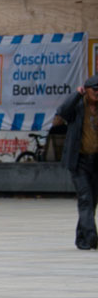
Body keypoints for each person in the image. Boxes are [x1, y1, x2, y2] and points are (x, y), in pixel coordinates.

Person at [54, 75, 98, 250]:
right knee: (85, 198)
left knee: (92, 200)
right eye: (94, 89)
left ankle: (82, 238)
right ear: (86, 90)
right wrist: (76, 95)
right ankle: (92, 236)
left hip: (96, 161)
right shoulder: (78, 106)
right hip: (79, 161)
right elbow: (62, 112)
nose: (97, 93)